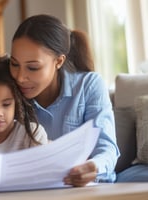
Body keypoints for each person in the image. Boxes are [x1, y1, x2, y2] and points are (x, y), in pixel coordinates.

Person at [8, 14, 120, 187]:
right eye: (14, 64)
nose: (20, 77)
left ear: (59, 61)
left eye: (33, 67)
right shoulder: (6, 89)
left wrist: (92, 167)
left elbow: (107, 149)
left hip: (84, 189)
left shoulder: (88, 85)